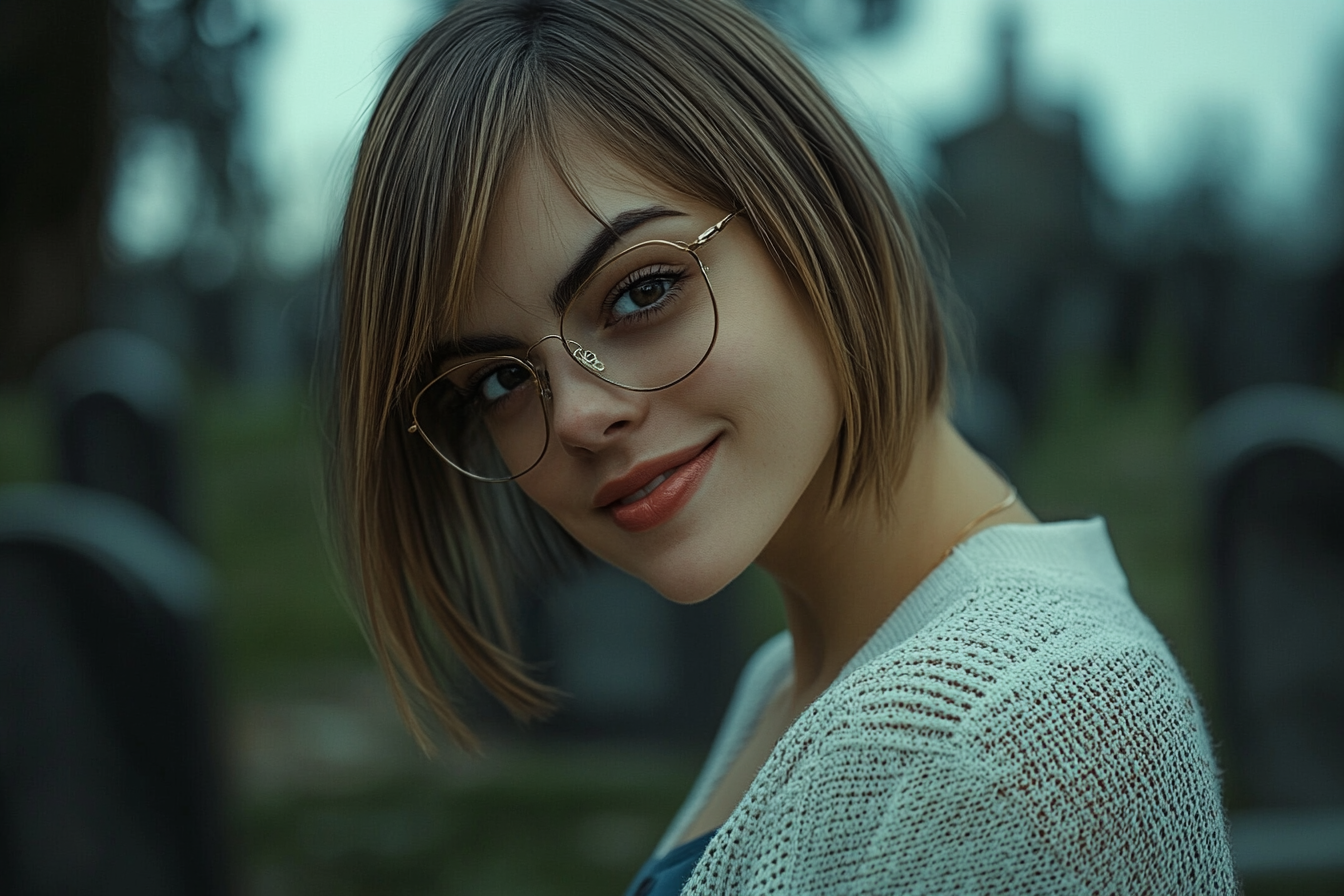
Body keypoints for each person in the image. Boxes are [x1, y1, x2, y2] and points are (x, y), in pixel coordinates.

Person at [331, 0, 1237, 892]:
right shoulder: (797, 673)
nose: (573, 416)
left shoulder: (1022, 728)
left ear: (815, 208)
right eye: (499, 378)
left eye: (641, 290)